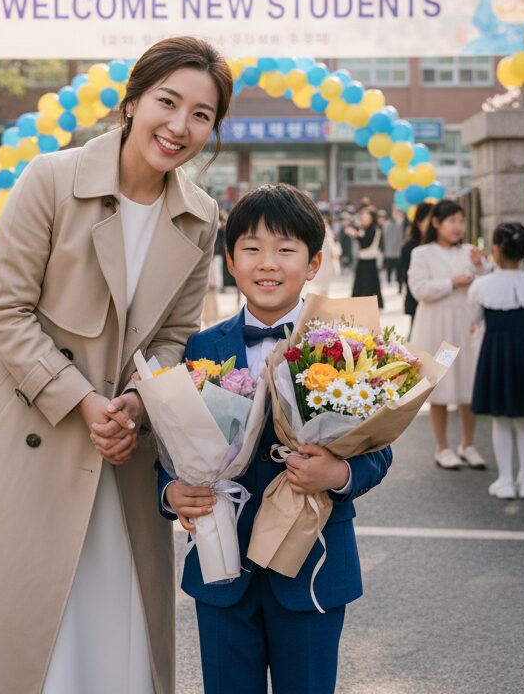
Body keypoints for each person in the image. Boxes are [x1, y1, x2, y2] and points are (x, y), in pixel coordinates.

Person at [0, 36, 232, 694]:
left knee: (117, 617)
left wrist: (139, 407)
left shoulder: (200, 218)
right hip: (38, 423)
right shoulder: (52, 179)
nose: (180, 126)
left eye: (202, 114)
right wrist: (85, 402)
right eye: (167, 102)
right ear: (133, 101)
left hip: (124, 445)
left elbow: (176, 332)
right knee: (21, 623)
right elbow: (4, 311)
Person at [160, 184, 391, 694]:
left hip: (313, 568)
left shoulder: (344, 342)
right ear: (230, 260)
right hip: (222, 567)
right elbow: (172, 440)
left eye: (285, 249)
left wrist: (341, 473)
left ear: (313, 264)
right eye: (252, 248)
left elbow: (379, 444)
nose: (268, 263)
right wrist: (171, 492)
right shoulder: (201, 345)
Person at [469, 222, 524, 500]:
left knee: (501, 419)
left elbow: (474, 321)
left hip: (496, 351)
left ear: (494, 250)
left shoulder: (482, 285)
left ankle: (505, 481)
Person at [407, 199, 489, 470]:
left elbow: (487, 284)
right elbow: (420, 290)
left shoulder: (470, 252)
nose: (458, 227)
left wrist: (480, 267)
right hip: (437, 329)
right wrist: (453, 282)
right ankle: (442, 447)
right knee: (440, 384)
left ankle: (468, 444)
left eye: (460, 221)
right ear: (436, 223)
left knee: (468, 384)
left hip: (465, 327)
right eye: (452, 221)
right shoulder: (422, 253)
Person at [400, 202, 434, 334]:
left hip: (436, 302)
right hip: (417, 300)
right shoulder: (410, 247)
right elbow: (406, 276)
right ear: (419, 222)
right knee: (417, 338)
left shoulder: (438, 246)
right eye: (429, 220)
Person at [349, 206, 383, 307]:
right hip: (363, 261)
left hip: (370, 261)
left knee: (369, 287)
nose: (363, 219)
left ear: (371, 218)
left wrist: (355, 235)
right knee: (360, 286)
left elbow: (366, 243)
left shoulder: (374, 229)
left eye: (365, 217)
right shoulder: (365, 228)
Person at [306, 212, 341, 297]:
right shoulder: (325, 232)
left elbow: (331, 248)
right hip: (323, 260)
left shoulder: (326, 232)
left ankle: (323, 302)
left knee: (323, 286)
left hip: (325, 260)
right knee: (323, 286)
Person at [382, 208, 405, 292]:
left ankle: (399, 283)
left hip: (398, 250)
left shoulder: (402, 224)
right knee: (389, 266)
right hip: (389, 249)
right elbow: (385, 237)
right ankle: (388, 280)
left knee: (398, 268)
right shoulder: (388, 224)